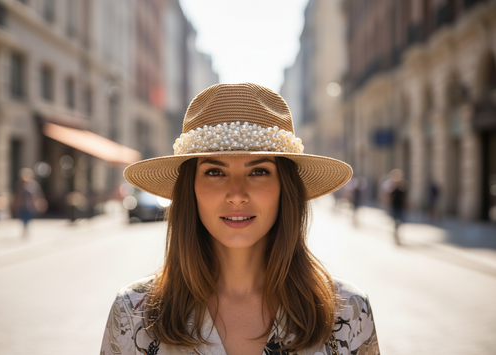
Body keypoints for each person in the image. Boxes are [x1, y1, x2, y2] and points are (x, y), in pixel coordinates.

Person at [100, 83, 380, 355]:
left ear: (285, 187)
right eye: (214, 172)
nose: (236, 195)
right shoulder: (133, 313)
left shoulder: (349, 313)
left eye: (258, 172)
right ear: (190, 190)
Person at [12, 168, 47, 238]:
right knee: (22, 218)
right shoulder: (19, 185)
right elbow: (17, 196)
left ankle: (26, 228)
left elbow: (38, 195)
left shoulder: (33, 185)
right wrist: (15, 205)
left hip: (30, 206)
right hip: (22, 206)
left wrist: (40, 203)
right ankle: (24, 228)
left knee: (28, 218)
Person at [382, 169, 409, 245]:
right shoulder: (391, 188)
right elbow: (388, 198)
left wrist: (407, 206)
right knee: (396, 221)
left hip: (400, 207)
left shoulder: (403, 187)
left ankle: (397, 234)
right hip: (394, 207)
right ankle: (396, 234)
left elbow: (405, 198)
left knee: (400, 221)